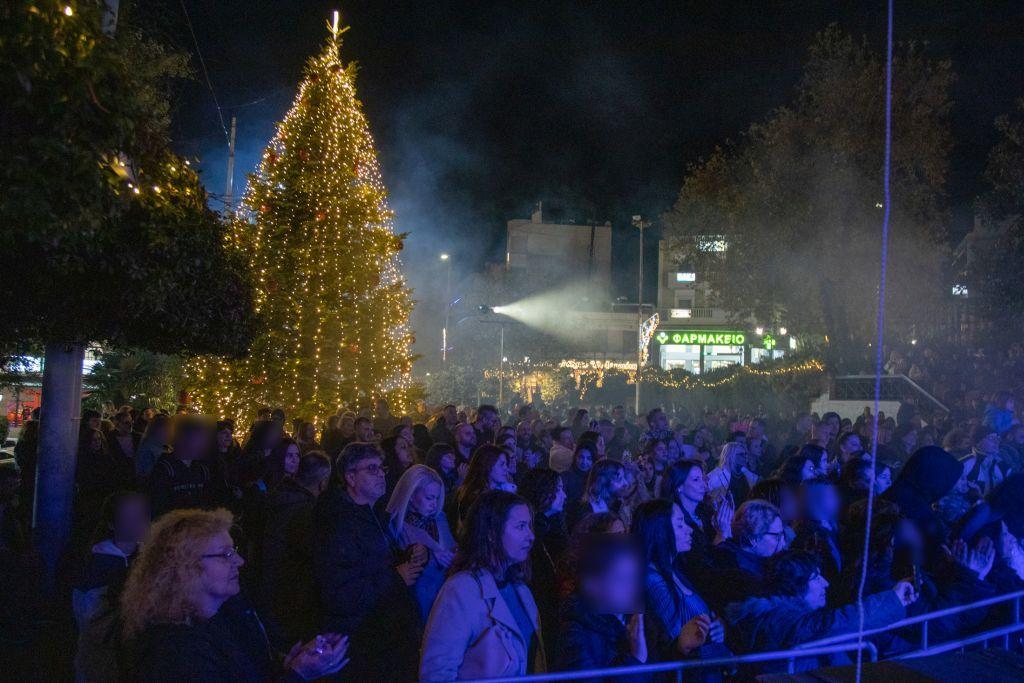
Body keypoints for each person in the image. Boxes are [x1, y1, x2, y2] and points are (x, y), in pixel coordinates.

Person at [120, 508, 349, 681]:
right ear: (184, 567)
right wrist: (299, 675)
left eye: (234, 551)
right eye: (225, 554)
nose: (240, 561)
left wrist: (287, 665)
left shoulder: (225, 612)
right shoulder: (174, 650)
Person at [313, 442, 423, 681]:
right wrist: (396, 578)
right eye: (372, 469)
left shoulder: (373, 514)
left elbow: (378, 561)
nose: (381, 474)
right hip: (365, 640)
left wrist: (409, 555)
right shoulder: (339, 523)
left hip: (385, 635)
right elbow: (339, 591)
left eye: (382, 468)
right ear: (350, 477)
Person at [420, 490, 545, 680]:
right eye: (520, 526)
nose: (531, 535)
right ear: (492, 533)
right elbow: (437, 673)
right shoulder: (461, 590)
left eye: (529, 526)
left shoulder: (521, 590)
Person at [726, 549, 915, 673]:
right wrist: (894, 599)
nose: (825, 583)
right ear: (795, 585)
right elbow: (833, 624)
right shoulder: (779, 619)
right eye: (816, 578)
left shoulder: (782, 614)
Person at [633, 499, 729, 670]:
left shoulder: (675, 571)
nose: (689, 529)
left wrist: (717, 628)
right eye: (679, 525)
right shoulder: (653, 580)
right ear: (660, 532)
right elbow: (676, 640)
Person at [260, 450, 332, 647]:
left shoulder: (279, 498)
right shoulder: (307, 512)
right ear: (323, 483)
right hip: (291, 598)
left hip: (271, 590)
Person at [556, 534, 651, 680]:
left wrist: (680, 647)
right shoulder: (575, 634)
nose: (632, 588)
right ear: (592, 584)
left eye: (633, 578)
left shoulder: (630, 623)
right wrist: (634, 660)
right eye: (621, 579)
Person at [386, 464, 457, 624]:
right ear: (411, 495)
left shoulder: (440, 519)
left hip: (448, 601)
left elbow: (451, 547)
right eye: (429, 498)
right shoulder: (396, 526)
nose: (434, 504)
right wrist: (431, 557)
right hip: (419, 607)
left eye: (437, 498)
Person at [72, 491, 149, 629]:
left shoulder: (150, 558)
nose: (138, 522)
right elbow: (89, 618)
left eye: (140, 515)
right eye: (129, 517)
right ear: (112, 524)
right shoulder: (96, 566)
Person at [518, 468, 569, 662]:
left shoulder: (553, 527)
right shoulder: (529, 533)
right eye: (558, 489)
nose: (564, 495)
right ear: (542, 491)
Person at [701, 500, 787, 613]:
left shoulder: (733, 553)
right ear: (753, 539)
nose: (783, 543)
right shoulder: (739, 571)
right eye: (777, 536)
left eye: (783, 535)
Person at [450, 444, 512, 532]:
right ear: (487, 465)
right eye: (502, 464)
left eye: (506, 464)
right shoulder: (474, 496)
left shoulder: (500, 491)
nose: (506, 469)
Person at [568, 458, 628, 532]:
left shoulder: (612, 506)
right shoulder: (584, 511)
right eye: (619, 479)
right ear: (602, 481)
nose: (626, 483)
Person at [135, 414, 170, 482]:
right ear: (157, 430)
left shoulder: (165, 446)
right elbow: (145, 474)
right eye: (167, 430)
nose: (169, 434)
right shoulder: (146, 449)